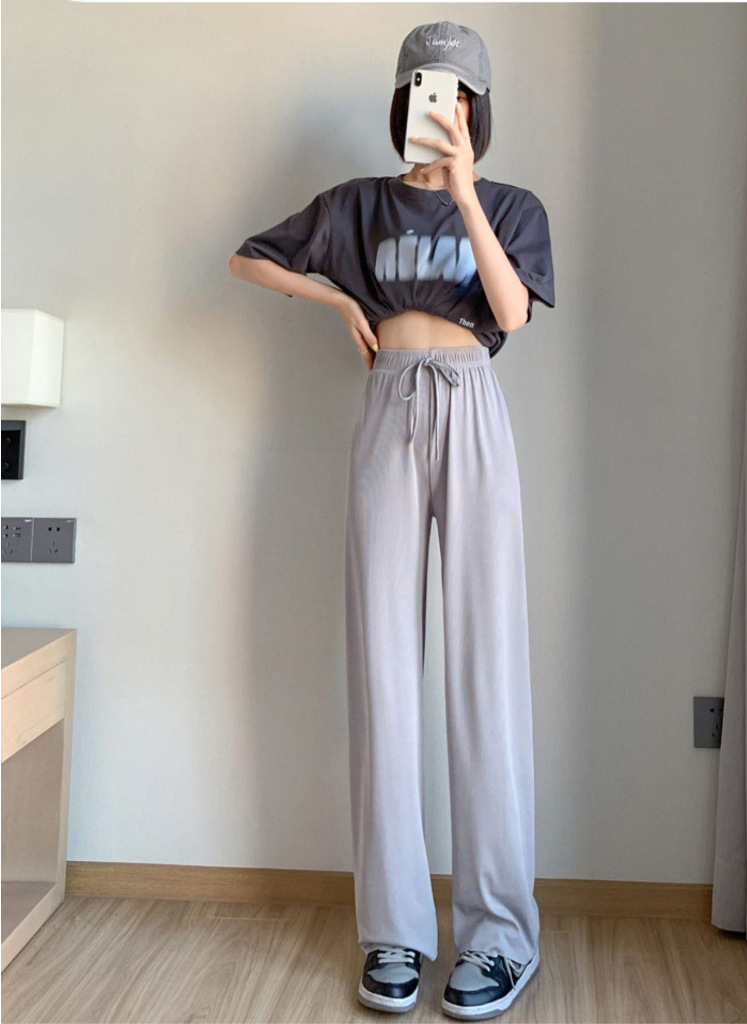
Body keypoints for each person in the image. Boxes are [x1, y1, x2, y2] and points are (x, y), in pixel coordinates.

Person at [230, 21, 555, 1021]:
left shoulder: (512, 205)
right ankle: (394, 930)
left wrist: (463, 191)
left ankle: (499, 936)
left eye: (454, 91)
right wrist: (337, 302)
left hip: (471, 404)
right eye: (422, 87)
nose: (436, 104)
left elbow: (512, 314)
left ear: (476, 108)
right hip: (387, 408)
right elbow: (247, 260)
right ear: (403, 98)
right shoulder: (355, 205)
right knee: (382, 666)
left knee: (486, 667)